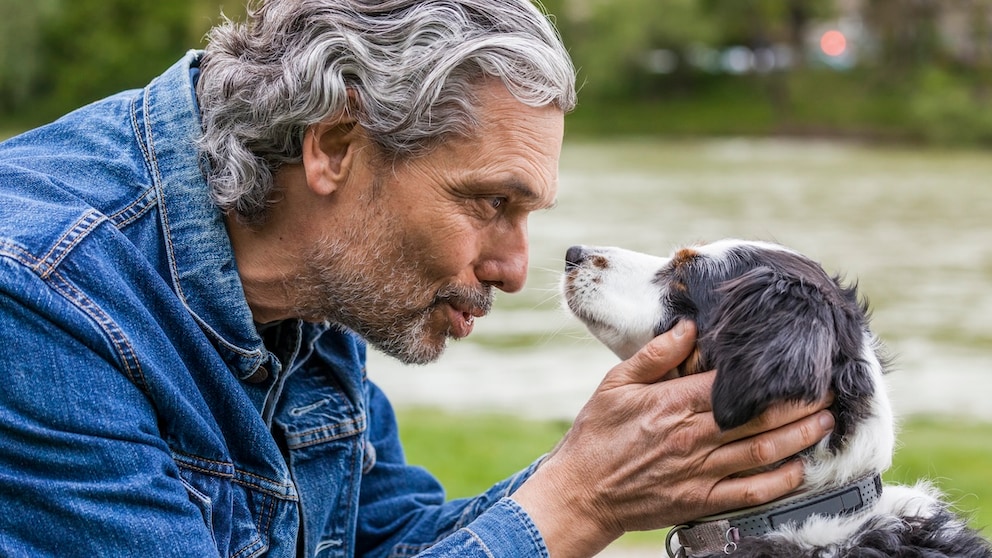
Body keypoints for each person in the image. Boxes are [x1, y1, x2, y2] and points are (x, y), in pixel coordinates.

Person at [0, 1, 834, 556]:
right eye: (490, 202)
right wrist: (581, 501)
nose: (513, 271)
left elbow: (389, 537)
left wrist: (614, 465)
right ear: (334, 147)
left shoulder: (300, 263)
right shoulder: (37, 299)